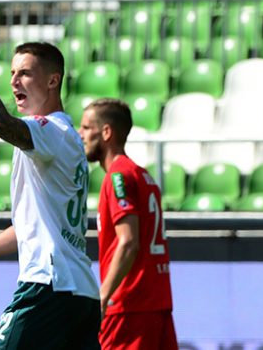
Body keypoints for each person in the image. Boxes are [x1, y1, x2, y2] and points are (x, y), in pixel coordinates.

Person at [0, 28, 100, 349]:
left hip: (48, 285)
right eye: (12, 73)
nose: (14, 81)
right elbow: (29, 227)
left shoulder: (50, 131)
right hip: (80, 291)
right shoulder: (59, 139)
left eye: (25, 73)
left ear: (53, 81)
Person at [77, 98, 177, 350]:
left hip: (128, 307)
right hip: (157, 303)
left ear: (106, 132)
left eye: (87, 128)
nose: (81, 135)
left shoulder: (118, 176)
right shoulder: (143, 175)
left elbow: (128, 241)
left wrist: (103, 296)